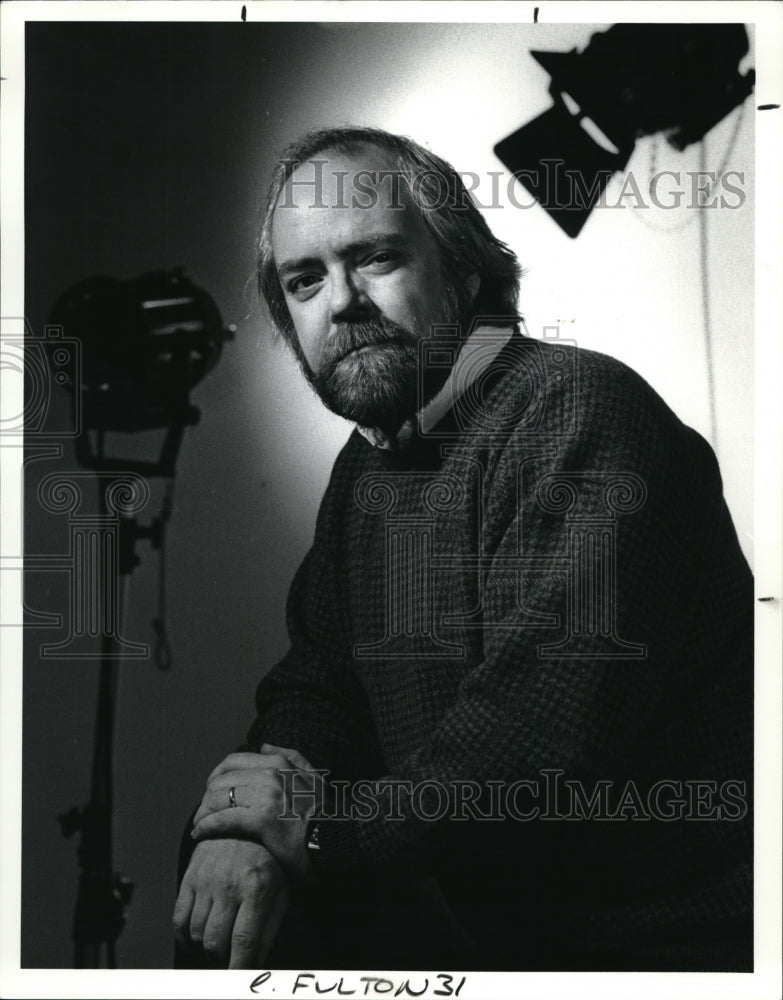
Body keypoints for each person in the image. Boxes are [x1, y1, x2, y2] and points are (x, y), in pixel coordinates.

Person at [173, 126, 753, 972]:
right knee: (218, 891)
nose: (341, 302)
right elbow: (318, 688)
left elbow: (538, 741)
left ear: (464, 268)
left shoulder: (576, 410)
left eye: (373, 258)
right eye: (306, 280)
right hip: (488, 937)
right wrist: (241, 824)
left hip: (655, 948)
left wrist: (318, 835)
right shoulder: (370, 465)